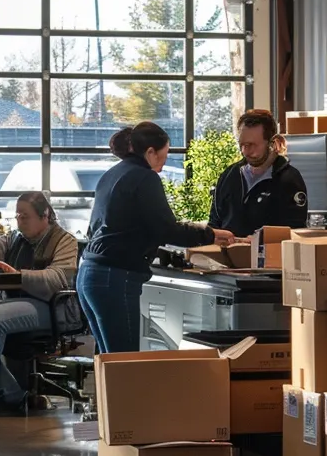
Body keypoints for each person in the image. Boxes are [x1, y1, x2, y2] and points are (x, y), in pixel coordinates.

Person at [77, 122, 236, 354]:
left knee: (107, 363)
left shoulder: (113, 173)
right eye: (163, 156)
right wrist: (210, 234)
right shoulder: (144, 178)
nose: (162, 164)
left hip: (89, 274)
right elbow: (165, 229)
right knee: (124, 362)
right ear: (150, 152)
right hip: (116, 277)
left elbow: (118, 227)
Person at [0, 191, 81, 418]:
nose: (20, 221)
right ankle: (11, 393)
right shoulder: (16, 237)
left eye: (25, 217)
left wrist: (18, 275)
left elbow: (57, 279)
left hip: (51, 307)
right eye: (17, 216)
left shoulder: (64, 241)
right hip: (21, 303)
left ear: (45, 216)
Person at [207, 109, 309, 236]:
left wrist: (256, 243)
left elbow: (294, 232)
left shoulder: (289, 180)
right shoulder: (230, 175)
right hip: (228, 253)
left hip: (269, 254)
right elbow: (214, 222)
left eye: (252, 145)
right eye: (242, 145)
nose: (245, 151)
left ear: (272, 143)